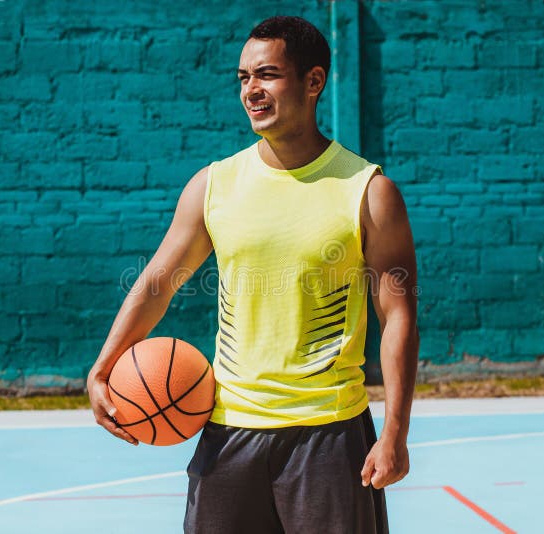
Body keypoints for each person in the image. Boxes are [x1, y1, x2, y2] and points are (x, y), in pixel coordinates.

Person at [87, 15, 419, 534]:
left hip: (328, 434)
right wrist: (104, 366)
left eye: (266, 75)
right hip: (227, 430)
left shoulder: (368, 191)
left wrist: (395, 430)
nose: (251, 91)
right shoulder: (214, 185)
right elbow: (157, 282)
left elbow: (397, 316)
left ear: (314, 81)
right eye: (243, 77)